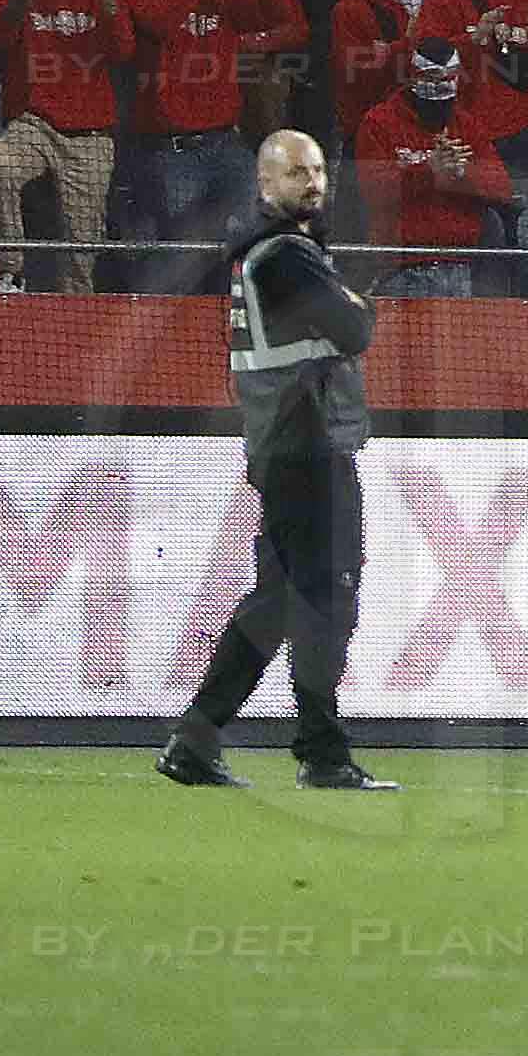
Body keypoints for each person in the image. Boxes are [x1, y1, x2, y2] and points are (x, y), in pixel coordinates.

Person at [157, 131, 394, 792]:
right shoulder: (287, 256)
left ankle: (196, 739)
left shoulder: (263, 256)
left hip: (283, 448)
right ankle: (322, 752)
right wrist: (357, 304)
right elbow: (355, 331)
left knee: (277, 602)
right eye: (295, 173)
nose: (311, 182)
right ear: (265, 185)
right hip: (310, 446)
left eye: (317, 170)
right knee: (327, 599)